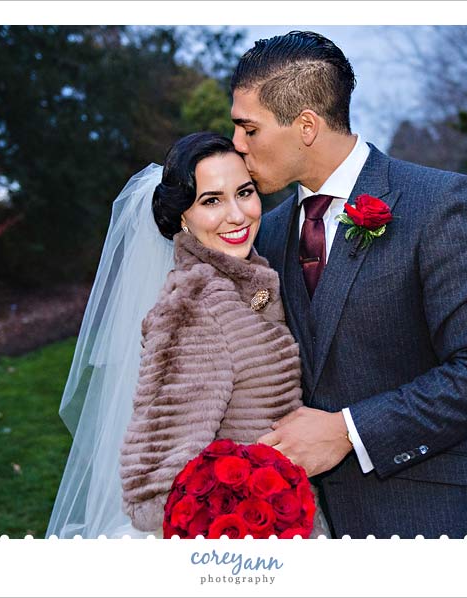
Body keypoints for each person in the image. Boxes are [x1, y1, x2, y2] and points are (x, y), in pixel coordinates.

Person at [231, 31, 467, 538]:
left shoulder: (444, 204)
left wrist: (349, 431)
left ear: (305, 126)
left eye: (248, 129)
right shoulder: (270, 230)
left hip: (431, 517)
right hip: (301, 520)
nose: (236, 145)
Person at [46, 132, 330, 538]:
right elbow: (155, 485)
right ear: (183, 216)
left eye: (244, 192)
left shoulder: (251, 282)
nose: (237, 214)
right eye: (211, 201)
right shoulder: (194, 307)